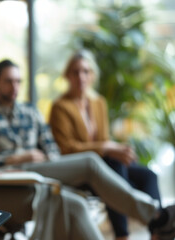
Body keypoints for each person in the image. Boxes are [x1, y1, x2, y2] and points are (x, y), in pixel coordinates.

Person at [0, 58, 175, 239]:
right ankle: (156, 216)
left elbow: (52, 149)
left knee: (83, 194)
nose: (14, 87)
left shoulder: (30, 112)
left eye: (18, 81)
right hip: (10, 173)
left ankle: (154, 221)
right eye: (8, 81)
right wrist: (20, 157)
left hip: (41, 169)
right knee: (89, 162)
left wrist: (46, 157)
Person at [49, 49, 162, 240]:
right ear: (67, 75)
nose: (81, 77)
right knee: (116, 169)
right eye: (75, 72)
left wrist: (116, 149)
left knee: (148, 175)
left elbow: (103, 138)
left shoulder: (98, 103)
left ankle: (158, 230)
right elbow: (66, 148)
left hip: (105, 162)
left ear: (92, 75)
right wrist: (107, 148)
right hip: (79, 170)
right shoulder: (60, 106)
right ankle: (122, 235)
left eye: (86, 71)